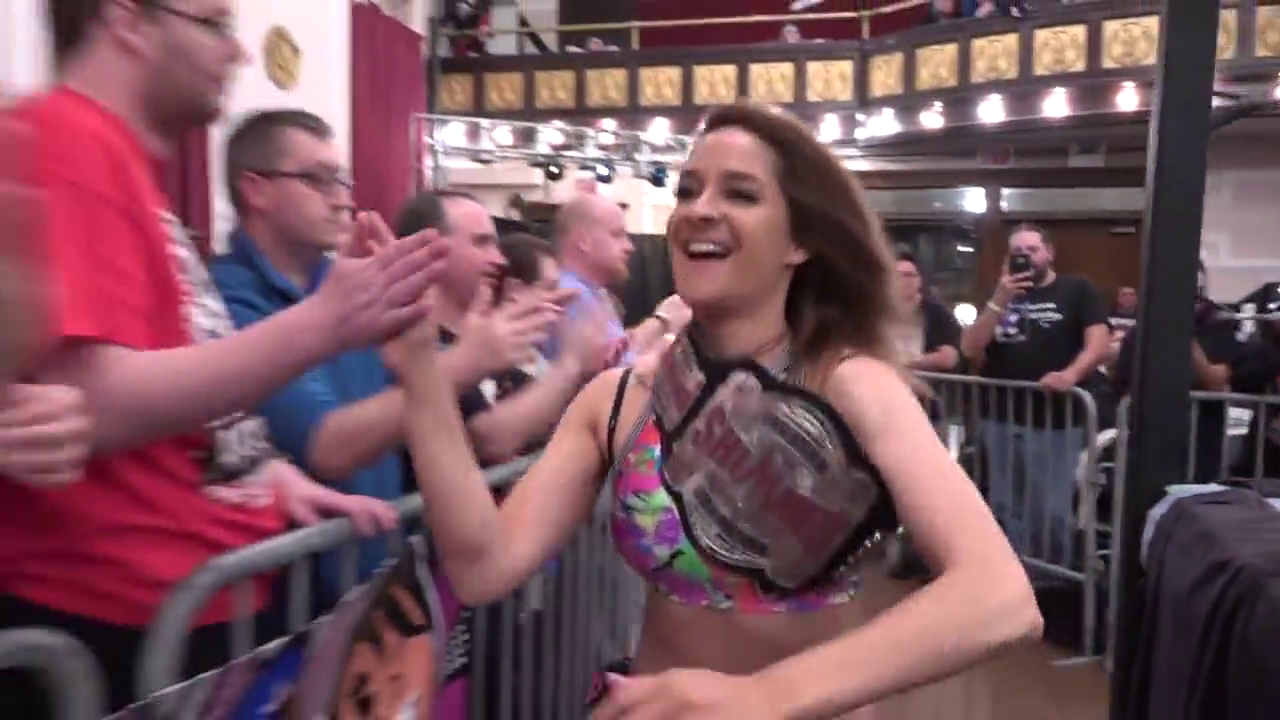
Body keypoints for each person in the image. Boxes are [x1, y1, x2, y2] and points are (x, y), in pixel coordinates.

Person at [402, 103, 1041, 718]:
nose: (699, 210)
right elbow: (483, 567)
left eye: (740, 194)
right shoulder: (619, 402)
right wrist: (421, 372)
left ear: (799, 241)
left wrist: (762, 698)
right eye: (688, 191)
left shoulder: (852, 386)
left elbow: (1000, 597)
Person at [0, 1, 441, 714]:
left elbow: (154, 393)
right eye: (213, 25)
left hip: (179, 605)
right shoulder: (70, 139)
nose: (237, 53)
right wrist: (322, 323)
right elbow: (92, 399)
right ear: (126, 19)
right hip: (131, 619)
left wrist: (259, 472)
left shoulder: (115, 162)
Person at [959, 223, 1109, 573]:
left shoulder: (1077, 289)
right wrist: (999, 299)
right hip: (1001, 416)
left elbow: (1099, 343)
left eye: (1032, 250)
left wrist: (1070, 375)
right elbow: (969, 348)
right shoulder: (1001, 295)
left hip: (1055, 420)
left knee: (1051, 509)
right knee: (1005, 504)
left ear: (1049, 253)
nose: (1025, 257)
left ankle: (1053, 577)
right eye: (1018, 252)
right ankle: (1015, 576)